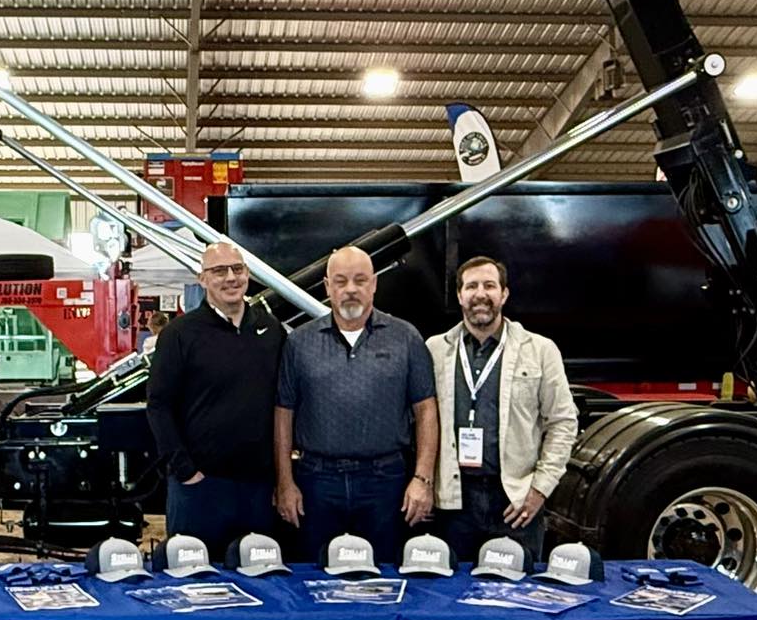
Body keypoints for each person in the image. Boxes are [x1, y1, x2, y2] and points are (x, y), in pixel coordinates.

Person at [274, 246, 439, 562]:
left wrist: (422, 480)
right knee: (314, 576)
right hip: (315, 483)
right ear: (327, 287)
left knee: (384, 579)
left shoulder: (406, 338)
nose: (350, 289)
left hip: (386, 483)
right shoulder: (299, 342)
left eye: (360, 280)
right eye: (341, 281)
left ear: (374, 284)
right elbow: (283, 413)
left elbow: (427, 410)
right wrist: (285, 483)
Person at [426, 256, 579, 563]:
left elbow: (563, 423)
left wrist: (539, 491)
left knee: (518, 599)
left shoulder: (539, 350)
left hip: (515, 502)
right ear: (459, 295)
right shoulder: (434, 350)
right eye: (471, 286)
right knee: (451, 598)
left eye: (489, 285)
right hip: (454, 503)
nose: (480, 294)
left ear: (504, 294)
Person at [144, 241, 284, 550]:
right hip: (199, 490)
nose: (231, 278)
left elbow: (282, 403)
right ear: (203, 279)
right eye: (219, 271)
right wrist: (186, 470)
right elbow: (158, 405)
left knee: (260, 583)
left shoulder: (270, 330)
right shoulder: (179, 334)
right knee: (195, 585)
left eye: (238, 269)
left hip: (257, 489)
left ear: (248, 274)